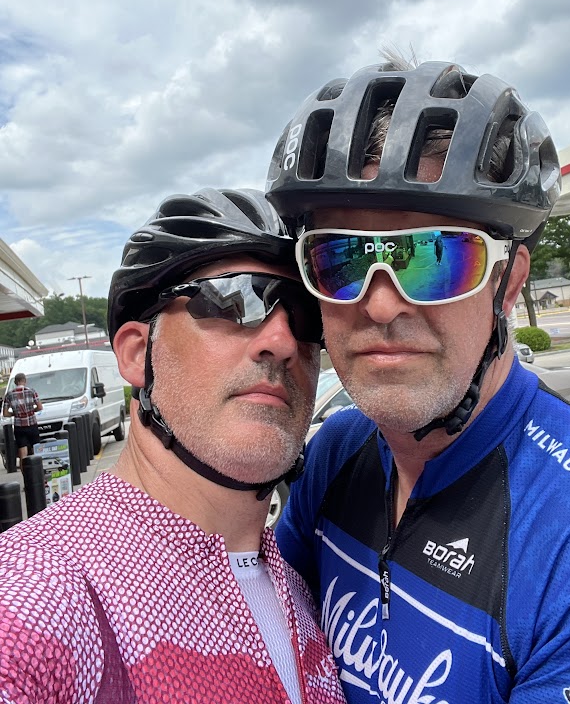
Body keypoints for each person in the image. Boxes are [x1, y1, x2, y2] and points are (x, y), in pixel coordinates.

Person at [266, 60, 570, 702]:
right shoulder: (336, 454)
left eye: (434, 256)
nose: (381, 305)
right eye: (341, 258)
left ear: (510, 280)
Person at [0, 188, 346, 704]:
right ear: (137, 354)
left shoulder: (299, 583)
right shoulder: (39, 591)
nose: (282, 341)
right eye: (235, 299)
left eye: (306, 314)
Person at [2, 372, 43, 465]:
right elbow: (40, 407)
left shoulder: (9, 394)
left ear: (15, 382)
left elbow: (5, 413)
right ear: (25, 381)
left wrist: (15, 414)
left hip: (19, 427)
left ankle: (25, 471)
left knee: (22, 452)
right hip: (32, 424)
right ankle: (38, 470)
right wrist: (32, 411)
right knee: (36, 449)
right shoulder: (31, 391)